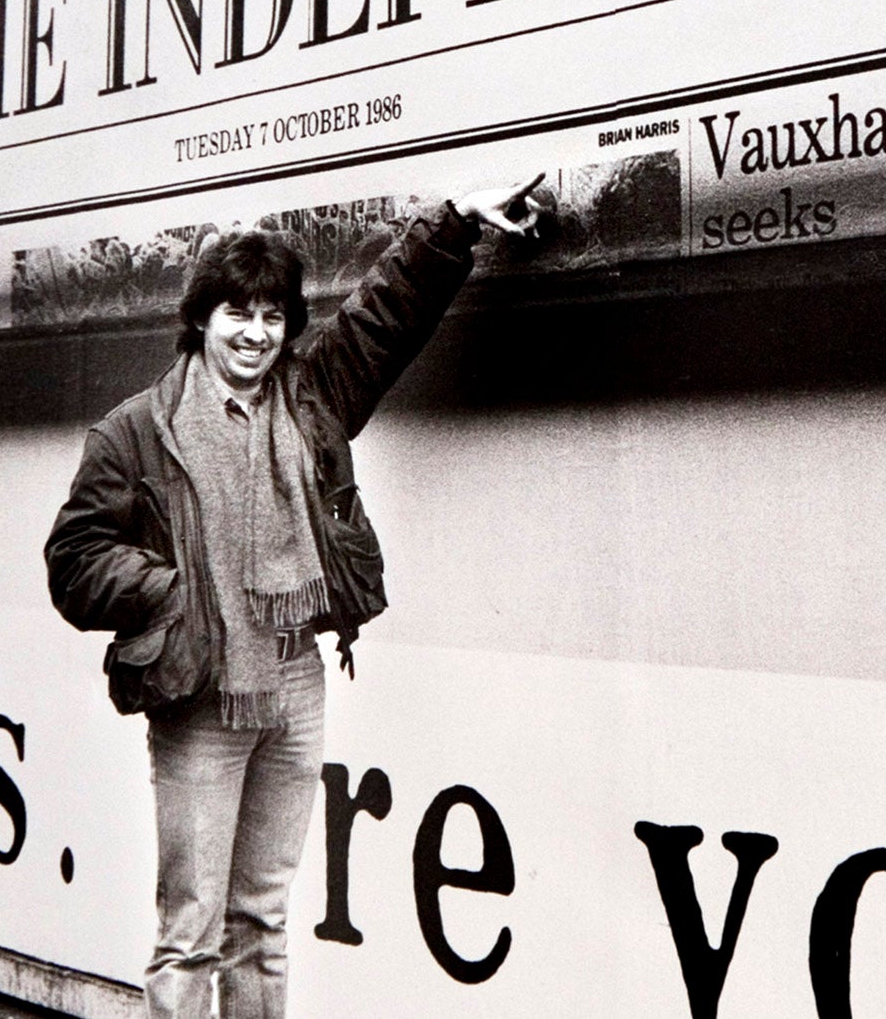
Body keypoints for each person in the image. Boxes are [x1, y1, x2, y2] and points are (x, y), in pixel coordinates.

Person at [44, 178, 544, 1019]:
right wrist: (175, 592)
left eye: (273, 316)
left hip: (295, 680)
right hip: (201, 690)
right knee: (190, 930)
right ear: (201, 320)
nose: (255, 332)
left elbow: (386, 316)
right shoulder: (134, 431)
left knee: (265, 919)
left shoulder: (312, 400)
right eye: (237, 313)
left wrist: (455, 221)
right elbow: (74, 559)